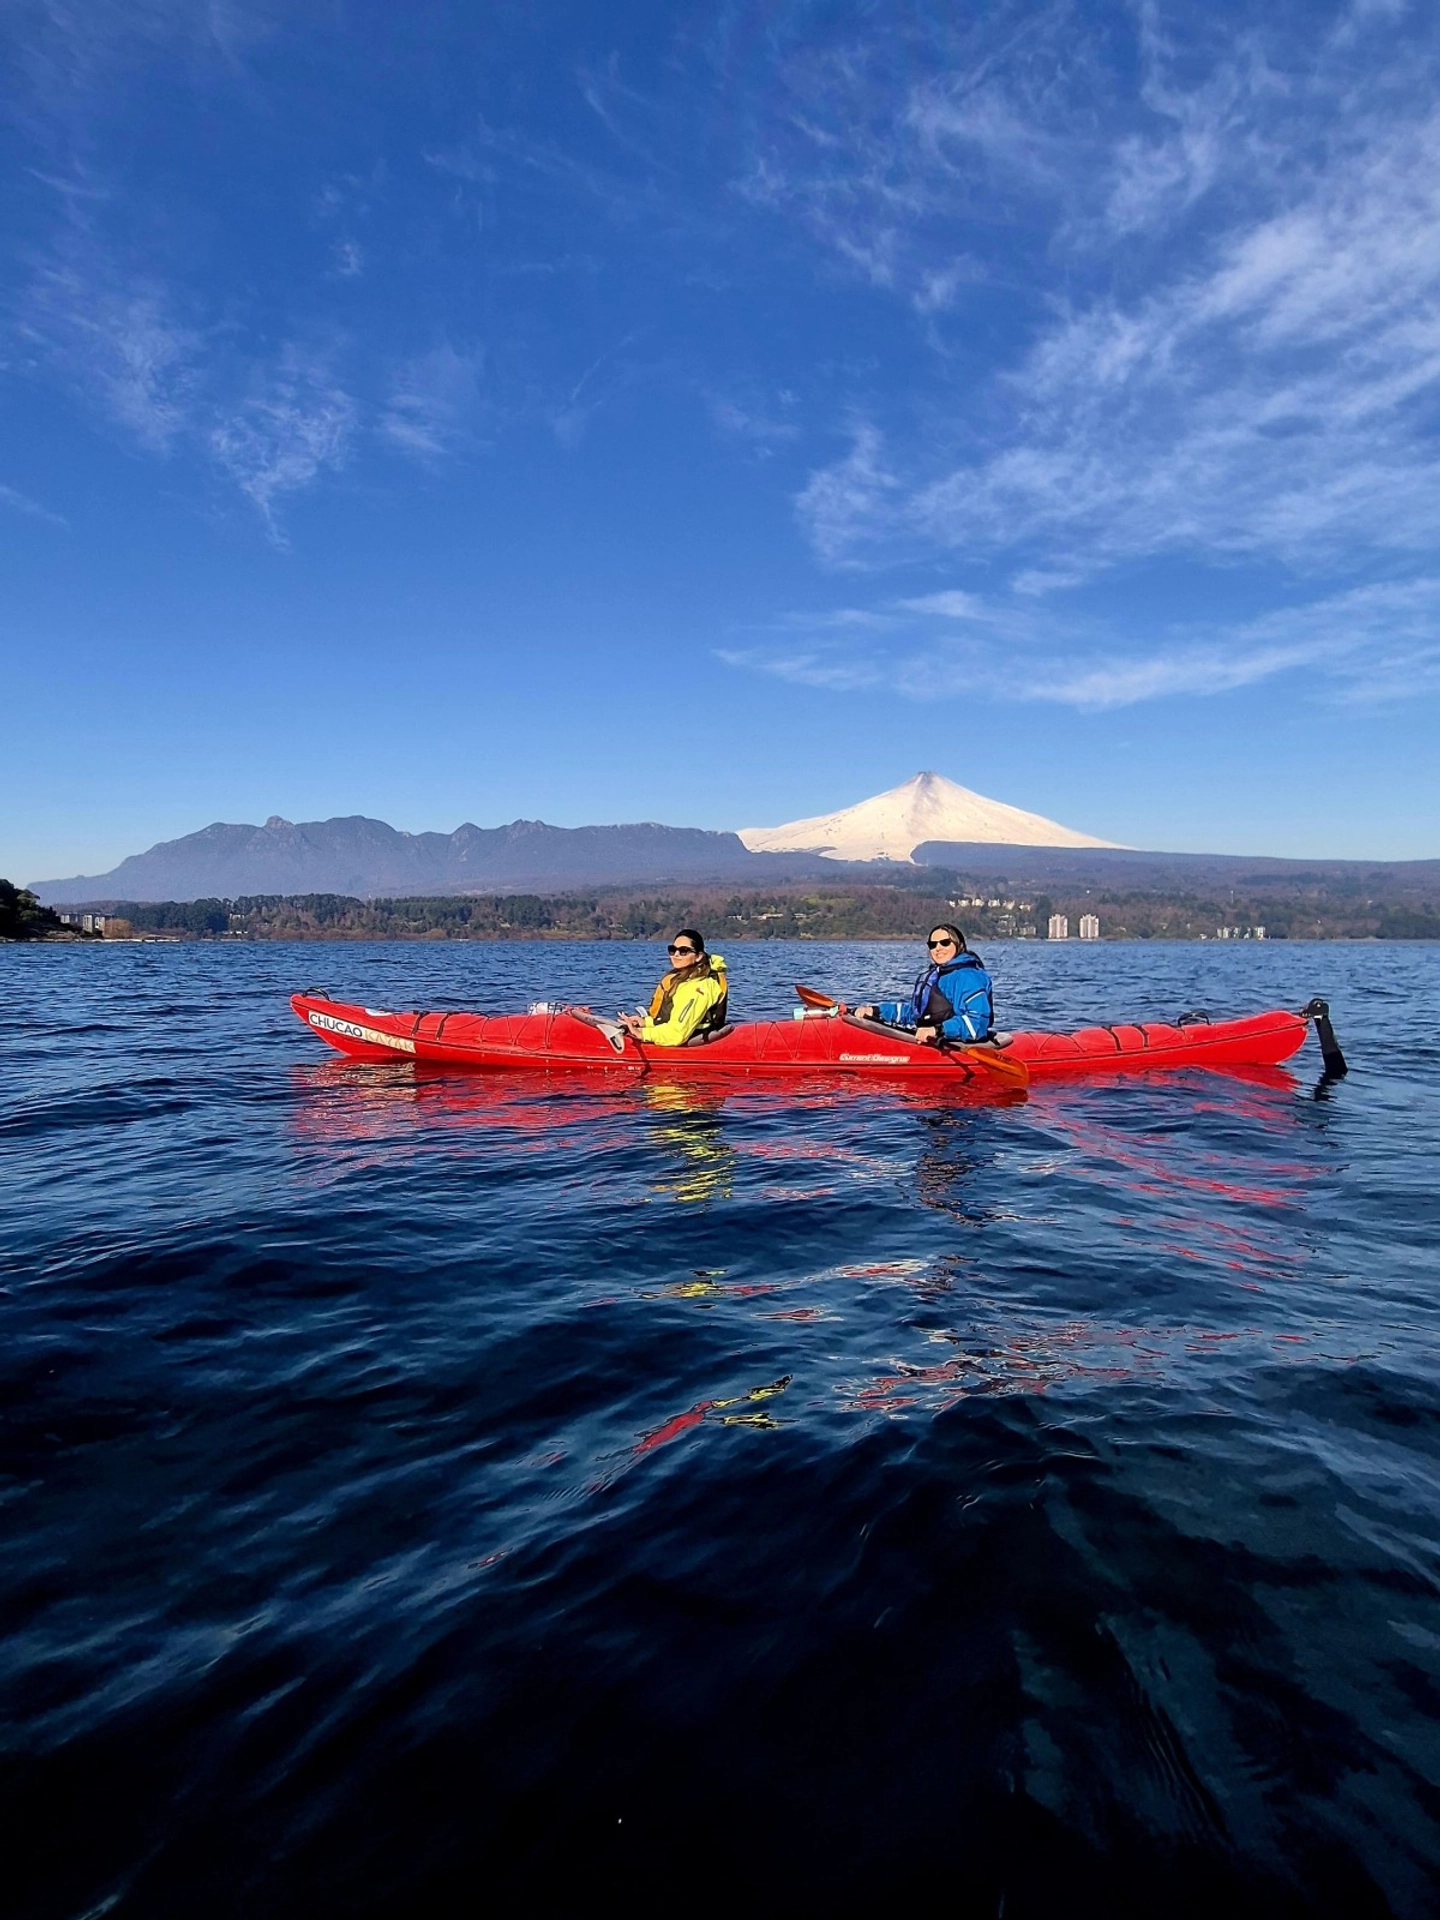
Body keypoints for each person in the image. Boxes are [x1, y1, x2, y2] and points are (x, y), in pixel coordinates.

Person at [855, 924, 993, 1046]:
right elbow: (915, 1015)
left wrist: (938, 1030)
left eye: (944, 943)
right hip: (931, 1040)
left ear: (958, 945)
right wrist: (877, 1011)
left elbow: (978, 1022)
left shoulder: (968, 977)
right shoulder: (935, 975)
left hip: (953, 1043)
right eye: (933, 945)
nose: (938, 948)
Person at [618, 930, 729, 1047]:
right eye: (672, 950)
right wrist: (646, 1022)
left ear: (698, 956)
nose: (676, 954)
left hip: (691, 1039)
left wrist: (642, 1033)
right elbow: (673, 1018)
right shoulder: (686, 980)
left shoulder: (699, 988)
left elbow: (677, 1033)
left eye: (683, 951)